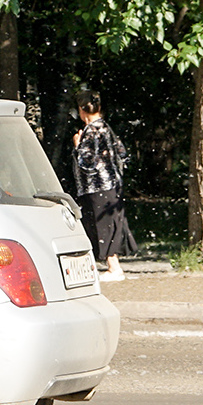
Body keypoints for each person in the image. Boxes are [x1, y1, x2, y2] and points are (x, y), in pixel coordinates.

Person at [71, 89, 135, 281]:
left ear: (82, 110)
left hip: (97, 185)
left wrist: (77, 146)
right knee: (111, 224)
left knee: (101, 226)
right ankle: (112, 266)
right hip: (112, 183)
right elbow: (123, 153)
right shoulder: (106, 127)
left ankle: (113, 268)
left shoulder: (91, 131)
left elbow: (87, 163)